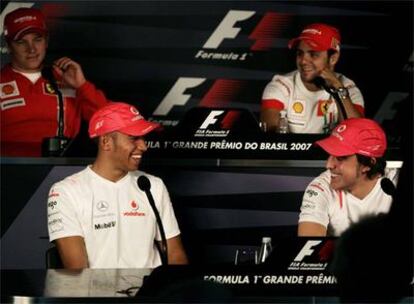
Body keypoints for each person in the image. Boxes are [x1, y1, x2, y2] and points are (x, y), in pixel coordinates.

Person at [47, 102, 188, 269]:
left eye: (143, 138)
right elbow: (77, 271)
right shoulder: (65, 192)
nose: (143, 146)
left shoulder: (153, 185)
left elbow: (175, 255)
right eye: (134, 138)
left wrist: (174, 293)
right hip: (99, 293)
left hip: (151, 293)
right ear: (106, 142)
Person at [1, 7, 109, 156]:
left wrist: (82, 86)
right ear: (9, 46)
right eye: (21, 42)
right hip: (10, 173)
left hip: (62, 171)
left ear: (46, 41)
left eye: (37, 39)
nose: (31, 49)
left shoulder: (67, 78)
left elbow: (110, 122)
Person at [298, 118, 397, 236]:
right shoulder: (321, 187)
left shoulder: (394, 184)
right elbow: (310, 246)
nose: (328, 165)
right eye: (330, 155)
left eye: (340, 158)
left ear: (368, 164)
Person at [260, 23, 364, 133]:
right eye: (300, 53)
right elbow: (269, 138)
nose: (303, 61)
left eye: (313, 54)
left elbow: (357, 135)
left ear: (333, 58)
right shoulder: (281, 86)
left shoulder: (349, 89)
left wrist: (338, 89)